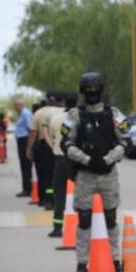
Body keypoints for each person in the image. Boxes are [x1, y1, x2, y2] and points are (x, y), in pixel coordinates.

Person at [63, 72, 126, 272]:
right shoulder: (74, 116)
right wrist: (87, 160)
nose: (92, 92)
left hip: (108, 174)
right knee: (84, 219)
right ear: (83, 91)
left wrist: (108, 159)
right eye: (88, 89)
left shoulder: (114, 114)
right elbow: (66, 144)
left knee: (110, 217)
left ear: (101, 89)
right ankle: (82, 263)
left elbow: (125, 141)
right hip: (85, 175)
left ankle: (115, 260)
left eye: (95, 88)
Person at [48, 92, 78, 237]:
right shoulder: (80, 117)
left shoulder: (56, 119)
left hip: (61, 160)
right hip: (78, 160)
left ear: (64, 102)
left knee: (59, 194)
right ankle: (83, 225)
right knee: (82, 193)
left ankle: (58, 227)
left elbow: (52, 136)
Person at [30, 95, 65, 210]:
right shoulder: (65, 112)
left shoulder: (39, 113)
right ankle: (57, 199)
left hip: (44, 145)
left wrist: (29, 148)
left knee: (44, 174)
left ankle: (45, 199)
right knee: (58, 174)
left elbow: (34, 132)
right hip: (60, 145)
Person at [12, 99, 33, 196]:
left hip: (25, 140)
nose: (14, 108)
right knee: (23, 165)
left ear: (20, 105)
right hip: (21, 140)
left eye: (15, 105)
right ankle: (26, 187)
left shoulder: (25, 113)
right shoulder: (21, 114)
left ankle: (28, 189)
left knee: (26, 165)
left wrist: (29, 145)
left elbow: (30, 128)